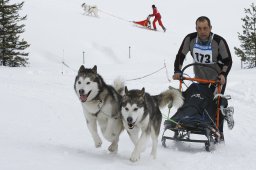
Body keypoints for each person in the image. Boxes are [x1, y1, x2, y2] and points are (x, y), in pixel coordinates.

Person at [172, 16, 233, 141]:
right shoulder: (190, 39)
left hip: (216, 79)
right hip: (200, 78)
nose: (202, 31)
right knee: (195, 99)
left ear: (210, 28)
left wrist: (223, 75)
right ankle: (190, 122)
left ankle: (219, 132)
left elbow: (228, 60)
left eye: (205, 28)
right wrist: (177, 71)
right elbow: (180, 56)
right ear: (196, 29)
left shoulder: (218, 41)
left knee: (216, 104)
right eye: (199, 28)